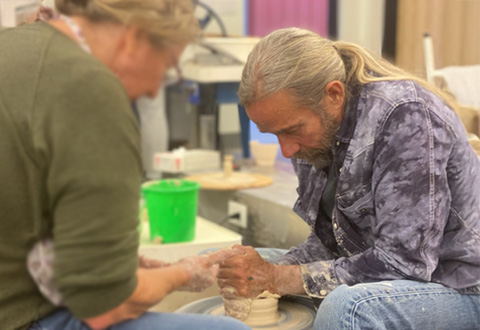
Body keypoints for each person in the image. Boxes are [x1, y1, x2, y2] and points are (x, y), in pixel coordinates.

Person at [0, 1, 250, 330]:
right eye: (165, 68)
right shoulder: (90, 90)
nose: (152, 89)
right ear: (135, 37)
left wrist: (114, 263)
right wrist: (182, 273)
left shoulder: (14, 42)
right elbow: (106, 307)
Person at [216, 27, 480, 329]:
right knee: (227, 268)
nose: (286, 150)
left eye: (291, 129)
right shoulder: (314, 138)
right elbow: (331, 246)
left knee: (347, 309)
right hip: (390, 275)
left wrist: (278, 278)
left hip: (460, 285)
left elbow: (406, 264)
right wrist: (261, 274)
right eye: (274, 134)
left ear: (333, 94)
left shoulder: (406, 116)